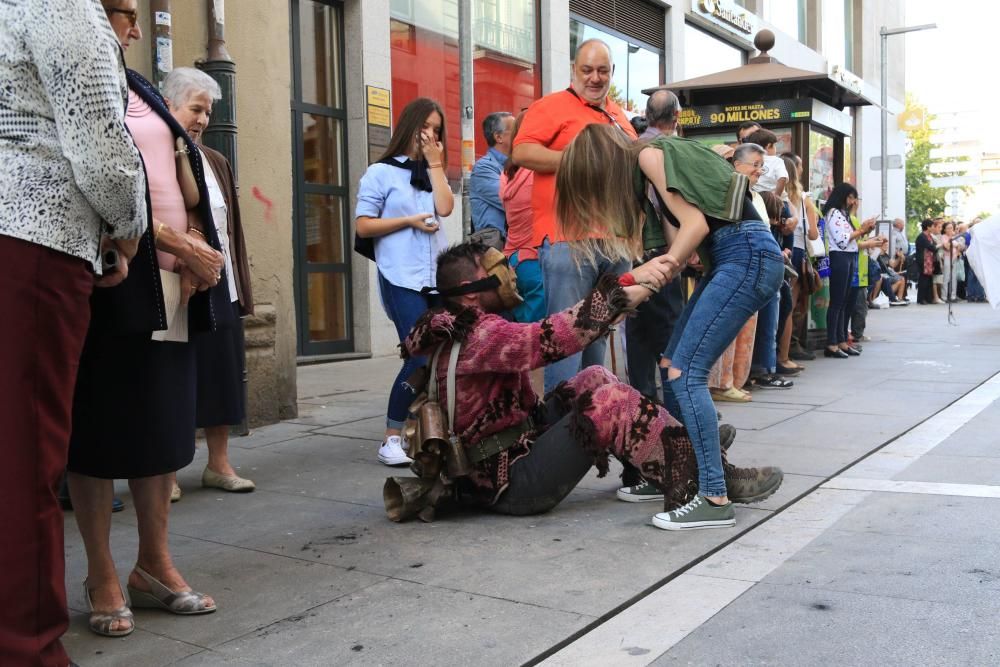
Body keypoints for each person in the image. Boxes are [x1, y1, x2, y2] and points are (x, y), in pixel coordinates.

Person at [386, 242, 781, 524]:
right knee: (609, 403)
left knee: (594, 377)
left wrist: (626, 283)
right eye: (488, 272)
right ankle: (706, 476)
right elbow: (552, 338)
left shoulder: (460, 328)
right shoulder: (480, 335)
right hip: (511, 483)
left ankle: (673, 448)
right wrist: (631, 284)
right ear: (469, 297)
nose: (501, 274)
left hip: (507, 455)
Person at [66, 0, 232, 640]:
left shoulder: (135, 86)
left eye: (135, 14)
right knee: (101, 423)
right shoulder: (81, 81)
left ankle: (154, 566)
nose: (133, 27)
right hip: (111, 276)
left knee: (164, 424)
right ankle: (102, 571)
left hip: (168, 281)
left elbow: (181, 181)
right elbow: (90, 179)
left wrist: (191, 242)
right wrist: (174, 238)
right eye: (119, 12)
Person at [0, 1, 146, 662]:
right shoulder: (60, 7)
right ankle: (26, 647)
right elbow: (103, 152)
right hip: (34, 238)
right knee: (25, 458)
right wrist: (126, 227)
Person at [555, 121, 785, 530]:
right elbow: (680, 239)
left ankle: (713, 497)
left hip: (745, 254)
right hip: (734, 256)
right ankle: (678, 473)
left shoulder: (648, 154)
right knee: (670, 364)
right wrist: (641, 285)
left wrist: (651, 276)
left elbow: (692, 230)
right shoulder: (649, 169)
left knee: (684, 372)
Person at [511, 38, 637, 393]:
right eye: (587, 70)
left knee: (597, 336)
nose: (595, 78)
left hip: (614, 238)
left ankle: (592, 428)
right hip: (568, 238)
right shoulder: (551, 106)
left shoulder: (618, 115)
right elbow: (522, 152)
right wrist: (580, 161)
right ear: (573, 69)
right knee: (567, 342)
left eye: (602, 71)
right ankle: (559, 432)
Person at [165, 67, 256, 494]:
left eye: (207, 111)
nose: (202, 119)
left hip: (222, 281)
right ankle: (165, 473)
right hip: (175, 282)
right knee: (175, 378)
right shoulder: (158, 151)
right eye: (195, 109)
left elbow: (229, 226)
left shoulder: (215, 160)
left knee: (221, 374)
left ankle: (218, 464)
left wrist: (240, 285)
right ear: (169, 105)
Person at [356, 97, 453, 466]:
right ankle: (391, 437)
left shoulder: (433, 170)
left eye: (437, 130)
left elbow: (444, 208)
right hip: (399, 275)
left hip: (434, 277)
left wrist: (436, 164)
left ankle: (426, 431)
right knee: (419, 354)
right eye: (425, 127)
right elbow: (363, 225)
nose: (430, 135)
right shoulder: (380, 173)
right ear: (409, 126)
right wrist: (409, 221)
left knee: (441, 355)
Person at [500, 112, 545, 323]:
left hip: (514, 258)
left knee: (521, 326)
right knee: (535, 337)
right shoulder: (537, 172)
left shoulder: (509, 172)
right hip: (534, 260)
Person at [823, 183, 874, 357]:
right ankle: (832, 343)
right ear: (843, 196)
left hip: (849, 257)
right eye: (851, 197)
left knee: (844, 302)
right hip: (840, 257)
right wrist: (861, 230)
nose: (853, 201)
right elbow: (842, 239)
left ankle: (842, 340)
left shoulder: (843, 215)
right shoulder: (833, 213)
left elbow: (850, 239)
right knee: (837, 302)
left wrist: (863, 230)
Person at [782, 153, 820, 363]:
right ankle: (785, 356)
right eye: (801, 165)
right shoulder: (804, 198)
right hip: (796, 251)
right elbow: (813, 234)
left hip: (780, 249)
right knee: (791, 304)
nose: (803, 169)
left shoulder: (776, 193)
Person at [469, 111, 514, 238]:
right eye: (515, 130)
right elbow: (510, 200)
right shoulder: (483, 169)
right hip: (495, 251)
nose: (521, 134)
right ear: (498, 137)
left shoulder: (518, 165)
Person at [915, 219, 941, 304]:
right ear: (928, 227)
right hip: (923, 261)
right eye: (932, 226)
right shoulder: (922, 237)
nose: (933, 227)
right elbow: (931, 247)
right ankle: (921, 299)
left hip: (929, 261)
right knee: (923, 280)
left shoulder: (929, 236)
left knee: (929, 280)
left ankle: (928, 298)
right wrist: (941, 244)